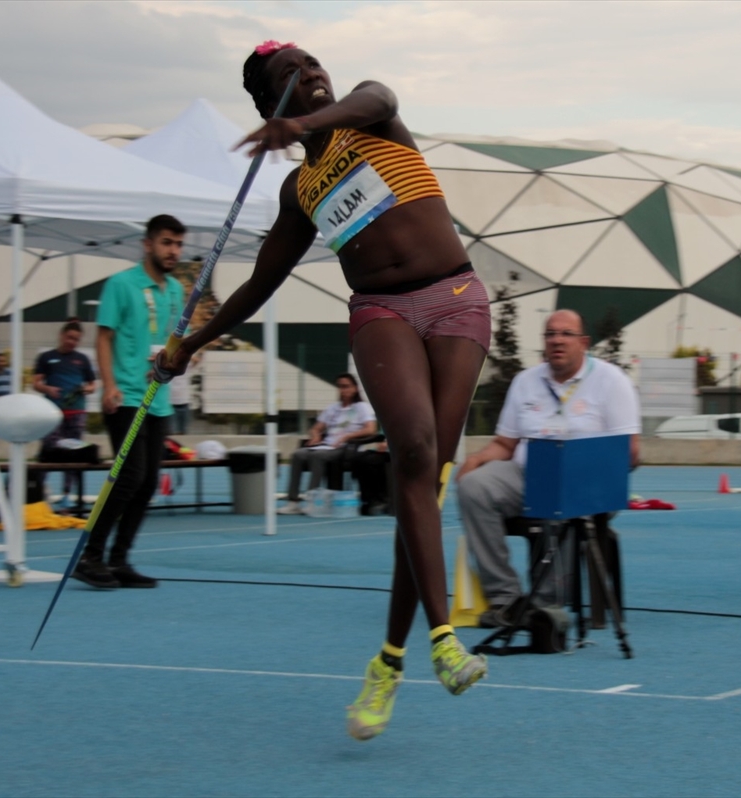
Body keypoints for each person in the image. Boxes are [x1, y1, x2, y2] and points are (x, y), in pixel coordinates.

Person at [154, 40, 491, 741]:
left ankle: (388, 662)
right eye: (288, 75)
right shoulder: (298, 190)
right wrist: (192, 341)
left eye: (311, 63)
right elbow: (258, 285)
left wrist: (306, 124)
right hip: (382, 311)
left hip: (457, 297)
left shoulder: (369, 118)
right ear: (265, 104)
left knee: (421, 490)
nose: (308, 72)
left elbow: (380, 96)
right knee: (416, 454)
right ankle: (442, 641)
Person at [456, 310, 640, 628]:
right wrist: (475, 460)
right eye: (550, 334)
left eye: (566, 334)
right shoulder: (525, 382)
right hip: (528, 475)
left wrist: (584, 466)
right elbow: (505, 444)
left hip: (587, 484)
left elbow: (631, 453)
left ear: (584, 343)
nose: (557, 340)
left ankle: (545, 606)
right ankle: (505, 599)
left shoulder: (612, 382)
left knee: (560, 500)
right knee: (474, 486)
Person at [73, 215, 186, 590]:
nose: (174, 251)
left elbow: (171, 339)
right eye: (167, 243)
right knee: (129, 477)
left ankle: (119, 560)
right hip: (125, 396)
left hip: (159, 398)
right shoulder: (121, 285)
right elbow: (104, 337)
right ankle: (90, 556)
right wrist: (108, 385)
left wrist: (182, 357)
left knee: (149, 481)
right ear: (148, 244)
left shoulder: (174, 290)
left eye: (178, 244)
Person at [279, 372, 377, 514]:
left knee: (317, 456)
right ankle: (292, 501)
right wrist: (315, 436)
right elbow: (316, 428)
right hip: (326, 444)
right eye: (340, 387)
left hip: (344, 447)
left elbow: (371, 429)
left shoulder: (362, 407)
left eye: (346, 386)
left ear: (355, 388)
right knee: (298, 455)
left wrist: (348, 436)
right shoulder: (333, 408)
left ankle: (311, 500)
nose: (343, 390)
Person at [33, 319, 97, 503]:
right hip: (53, 414)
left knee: (74, 455)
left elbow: (93, 384)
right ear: (62, 336)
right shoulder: (46, 357)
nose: (72, 342)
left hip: (76, 414)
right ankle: (38, 493)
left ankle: (68, 495)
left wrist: (86, 389)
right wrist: (48, 389)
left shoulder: (82, 360)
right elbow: (36, 383)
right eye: (70, 337)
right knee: (48, 452)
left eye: (76, 339)